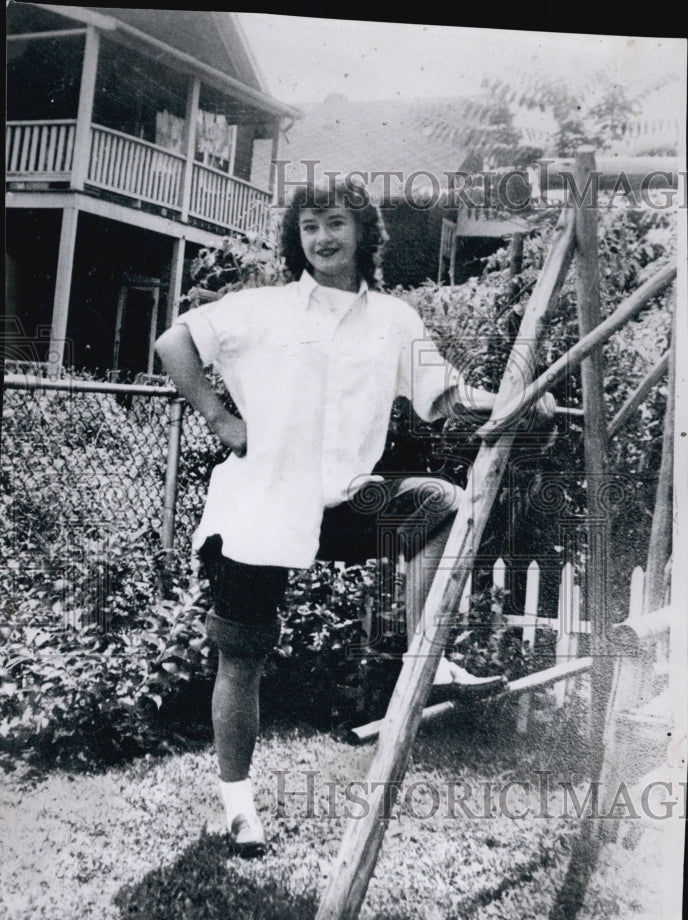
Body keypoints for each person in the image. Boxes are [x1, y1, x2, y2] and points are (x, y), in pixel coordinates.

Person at [155, 178, 555, 856]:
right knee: (242, 655)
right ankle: (239, 807)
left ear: (364, 232)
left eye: (335, 223)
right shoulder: (263, 308)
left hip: (347, 502)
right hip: (261, 504)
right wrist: (221, 417)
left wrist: (513, 402)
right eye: (309, 226)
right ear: (297, 238)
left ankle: (429, 660)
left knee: (438, 503)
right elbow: (173, 344)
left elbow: (444, 399)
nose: (322, 238)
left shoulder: (395, 322)